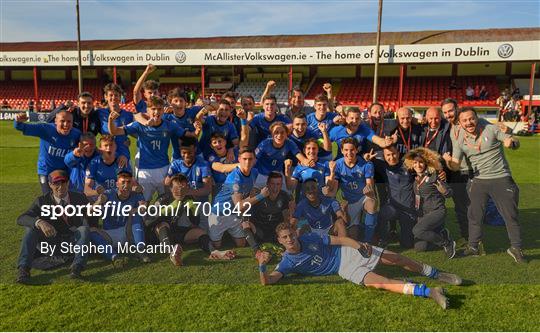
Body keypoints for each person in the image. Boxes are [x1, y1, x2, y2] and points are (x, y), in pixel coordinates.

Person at [255, 222, 462, 310]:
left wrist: (360, 246)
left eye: (291, 234)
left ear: (294, 232)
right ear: (280, 241)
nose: (290, 239)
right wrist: (262, 267)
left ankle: (436, 273)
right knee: (382, 284)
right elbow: (269, 282)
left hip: (348, 252)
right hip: (344, 269)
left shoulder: (310, 237)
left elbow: (341, 240)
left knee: (396, 259)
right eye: (285, 237)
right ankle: (430, 292)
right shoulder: (287, 262)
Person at [443, 107, 525, 263]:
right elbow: (455, 165)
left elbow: (513, 141)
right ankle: (473, 247)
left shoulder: (491, 128)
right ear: (460, 123)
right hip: (478, 181)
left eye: (471, 118)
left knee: (510, 215)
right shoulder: (460, 138)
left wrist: (511, 142)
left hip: (500, 178)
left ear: (477, 118)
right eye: (465, 120)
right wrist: (448, 162)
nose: (469, 122)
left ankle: (516, 248)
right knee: (474, 215)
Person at [16, 170, 92, 283]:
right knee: (30, 229)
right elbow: (21, 218)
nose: (60, 186)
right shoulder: (41, 201)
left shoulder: (79, 197)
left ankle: (77, 268)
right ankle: (23, 270)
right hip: (52, 241)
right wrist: (40, 222)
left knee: (84, 229)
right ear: (50, 184)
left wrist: (96, 208)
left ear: (68, 183)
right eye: (56, 183)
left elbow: (91, 217)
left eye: (63, 182)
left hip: (72, 242)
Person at [144, 174, 235, 266]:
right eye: (177, 188)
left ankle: (214, 252)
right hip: (156, 236)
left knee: (199, 232)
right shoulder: (163, 199)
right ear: (171, 188)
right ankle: (172, 253)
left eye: (183, 188)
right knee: (163, 224)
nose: (180, 191)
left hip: (174, 231)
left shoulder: (188, 199)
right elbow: (148, 221)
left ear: (187, 188)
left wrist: (194, 210)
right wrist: (167, 209)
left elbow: (195, 222)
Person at [109, 96, 187, 201]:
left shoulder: (170, 125)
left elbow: (187, 134)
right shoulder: (139, 125)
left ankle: (161, 218)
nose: (156, 112)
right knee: (143, 203)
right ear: (148, 110)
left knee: (166, 201)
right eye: (153, 109)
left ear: (163, 110)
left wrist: (197, 129)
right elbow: (115, 131)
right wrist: (110, 121)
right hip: (144, 170)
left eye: (159, 109)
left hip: (164, 169)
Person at [404, 148, 456, 258]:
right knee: (420, 248)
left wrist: (445, 191)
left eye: (421, 162)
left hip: (437, 211)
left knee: (417, 230)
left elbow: (450, 193)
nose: (418, 165)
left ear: (426, 163)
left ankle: (447, 242)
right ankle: (440, 233)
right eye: (415, 163)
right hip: (424, 214)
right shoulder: (416, 178)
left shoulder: (435, 175)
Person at [89, 171, 150, 263]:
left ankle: (140, 250)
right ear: (117, 184)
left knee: (136, 215)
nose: (126, 185)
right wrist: (98, 202)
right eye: (123, 182)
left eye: (128, 182)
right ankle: (114, 257)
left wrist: (136, 210)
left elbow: (143, 207)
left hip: (127, 232)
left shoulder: (136, 194)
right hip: (109, 234)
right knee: (91, 232)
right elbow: (90, 211)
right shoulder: (108, 194)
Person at [209, 147, 264, 248]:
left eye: (250, 159)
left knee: (241, 244)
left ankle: (227, 232)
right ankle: (220, 233)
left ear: (254, 160)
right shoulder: (234, 178)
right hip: (219, 213)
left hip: (234, 214)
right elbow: (240, 206)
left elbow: (250, 192)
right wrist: (261, 196)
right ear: (239, 159)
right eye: (244, 159)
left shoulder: (254, 172)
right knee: (216, 246)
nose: (247, 162)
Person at [14, 110, 81, 194]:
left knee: (65, 197)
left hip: (64, 171)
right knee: (48, 197)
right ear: (56, 121)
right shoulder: (46, 129)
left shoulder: (76, 134)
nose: (66, 124)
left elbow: (87, 146)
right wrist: (18, 121)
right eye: (62, 121)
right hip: (46, 171)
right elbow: (21, 127)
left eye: (69, 121)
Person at [326, 138, 378, 242]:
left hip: (363, 198)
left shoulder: (366, 164)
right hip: (348, 202)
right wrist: (331, 173)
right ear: (341, 151)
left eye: (352, 150)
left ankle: (368, 241)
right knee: (353, 236)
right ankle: (365, 229)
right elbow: (331, 190)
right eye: (346, 150)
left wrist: (368, 190)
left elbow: (370, 189)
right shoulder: (338, 165)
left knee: (372, 204)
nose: (349, 153)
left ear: (357, 150)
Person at [377, 146, 415, 248]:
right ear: (384, 156)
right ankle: (382, 239)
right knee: (382, 214)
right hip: (393, 207)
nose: (391, 157)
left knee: (407, 244)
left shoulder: (408, 165)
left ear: (398, 153)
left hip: (408, 210)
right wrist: (367, 159)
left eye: (393, 154)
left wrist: (441, 172)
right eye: (388, 155)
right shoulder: (382, 166)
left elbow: (425, 167)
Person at [254, 121, 309, 186]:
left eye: (282, 132)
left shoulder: (289, 143)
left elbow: (300, 156)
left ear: (286, 134)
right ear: (272, 134)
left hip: (277, 174)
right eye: (276, 132)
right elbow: (253, 159)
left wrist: (308, 162)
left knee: (286, 193)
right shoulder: (264, 144)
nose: (279, 135)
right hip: (261, 174)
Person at [329, 107, 395, 159]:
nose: (354, 121)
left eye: (357, 118)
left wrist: (385, 142)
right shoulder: (336, 131)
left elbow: (376, 139)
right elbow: (325, 141)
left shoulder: (364, 129)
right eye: (351, 118)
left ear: (360, 120)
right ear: (346, 119)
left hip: (359, 163)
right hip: (341, 163)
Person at [165, 138, 212, 205]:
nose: (186, 155)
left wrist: (187, 191)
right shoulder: (175, 165)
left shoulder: (203, 165)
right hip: (180, 203)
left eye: (189, 152)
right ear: (180, 150)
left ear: (195, 149)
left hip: (199, 204)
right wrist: (176, 189)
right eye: (184, 153)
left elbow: (207, 190)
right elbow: (167, 183)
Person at [249, 172, 293, 243]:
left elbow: (286, 217)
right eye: (272, 184)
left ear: (281, 185)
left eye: (278, 184)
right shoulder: (260, 195)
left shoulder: (284, 196)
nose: (275, 187)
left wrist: (286, 229)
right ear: (267, 184)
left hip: (275, 229)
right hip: (260, 228)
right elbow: (248, 216)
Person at [96, 83, 133, 162]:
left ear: (120, 97)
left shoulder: (128, 115)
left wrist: (127, 140)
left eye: (116, 95)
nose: (113, 98)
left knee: (125, 174)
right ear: (106, 97)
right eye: (111, 95)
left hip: (123, 156)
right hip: (106, 155)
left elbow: (138, 131)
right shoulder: (99, 113)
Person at [306, 94, 340, 162]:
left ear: (327, 105)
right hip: (312, 154)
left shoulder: (333, 116)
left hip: (328, 155)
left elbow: (345, 119)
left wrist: (341, 112)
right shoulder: (308, 119)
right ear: (315, 106)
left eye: (324, 105)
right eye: (319, 105)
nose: (322, 107)